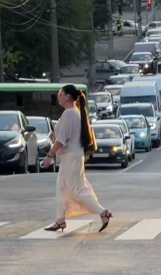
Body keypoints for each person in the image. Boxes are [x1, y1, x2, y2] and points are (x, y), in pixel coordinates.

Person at [42, 84, 112, 232]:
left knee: (76, 191)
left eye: (60, 94)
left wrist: (50, 155)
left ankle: (103, 212)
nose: (58, 97)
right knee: (61, 188)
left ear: (67, 97)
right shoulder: (73, 112)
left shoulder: (69, 113)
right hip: (71, 157)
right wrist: (56, 138)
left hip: (71, 158)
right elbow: (66, 136)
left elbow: (61, 140)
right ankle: (60, 220)